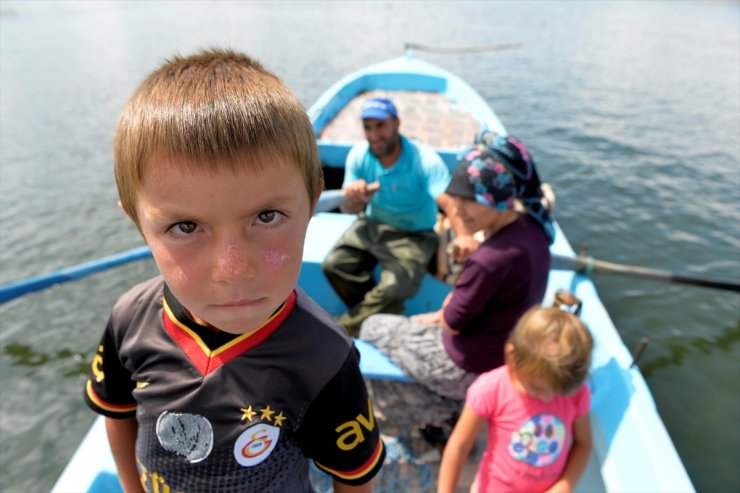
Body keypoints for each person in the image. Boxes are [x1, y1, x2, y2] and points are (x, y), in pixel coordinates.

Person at [83, 49, 384, 493]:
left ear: (312, 202)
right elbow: (118, 414)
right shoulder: (130, 319)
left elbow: (353, 479)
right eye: (185, 227)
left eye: (266, 217)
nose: (233, 269)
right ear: (137, 222)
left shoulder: (324, 358)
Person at [359, 133, 552, 431]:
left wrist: (443, 309)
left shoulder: (489, 260)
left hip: (468, 364)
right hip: (504, 353)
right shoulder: (536, 229)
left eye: (470, 200)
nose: (458, 210)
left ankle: (440, 410)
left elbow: (451, 322)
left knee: (373, 327)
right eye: (455, 197)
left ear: (498, 199)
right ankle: (452, 406)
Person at [321, 97, 472, 336]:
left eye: (381, 125)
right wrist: (356, 198)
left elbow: (448, 202)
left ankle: (344, 328)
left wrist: (464, 236)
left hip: (414, 234)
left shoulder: (423, 160)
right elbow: (349, 210)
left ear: (397, 124)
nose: (374, 134)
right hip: (372, 224)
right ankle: (377, 318)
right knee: (334, 265)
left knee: (394, 287)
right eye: (368, 127)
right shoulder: (359, 156)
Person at [437, 306, 593, 493]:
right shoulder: (491, 388)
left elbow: (583, 443)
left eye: (557, 393)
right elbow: (458, 447)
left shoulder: (576, 392)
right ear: (512, 356)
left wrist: (565, 484)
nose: (547, 398)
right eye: (537, 388)